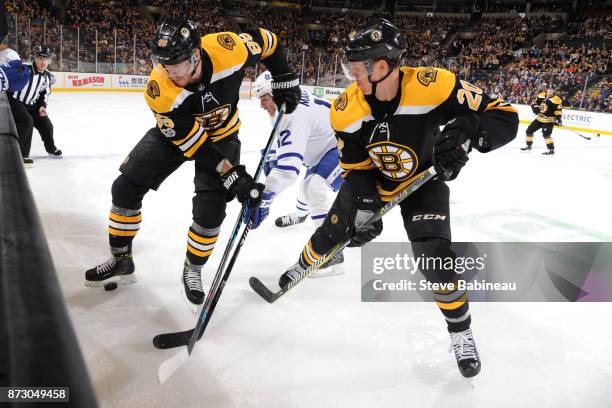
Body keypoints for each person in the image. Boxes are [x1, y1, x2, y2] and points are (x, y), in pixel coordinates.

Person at [276, 19, 519, 378]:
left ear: (382, 66)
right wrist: (364, 202)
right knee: (333, 231)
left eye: (356, 69)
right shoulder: (346, 108)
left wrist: (468, 131)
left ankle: (461, 331)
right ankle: (303, 263)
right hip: (374, 179)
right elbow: (355, 167)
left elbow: (504, 115)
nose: (350, 76)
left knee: (434, 257)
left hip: (424, 179)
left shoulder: (433, 86)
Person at [84, 18, 301, 309]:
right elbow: (196, 144)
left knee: (210, 211)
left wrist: (284, 78)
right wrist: (232, 174)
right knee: (124, 188)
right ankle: (121, 260)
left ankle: (194, 268)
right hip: (177, 137)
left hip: (223, 135)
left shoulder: (229, 49)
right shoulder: (160, 89)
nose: (171, 73)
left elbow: (266, 40)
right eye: (164, 65)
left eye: (178, 65)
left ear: (196, 54)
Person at [249, 71, 345, 275]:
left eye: (264, 99)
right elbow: (278, 140)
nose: (261, 105)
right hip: (324, 147)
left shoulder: (293, 114)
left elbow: (289, 170)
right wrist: (272, 157)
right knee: (307, 185)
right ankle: (302, 215)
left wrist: (266, 196)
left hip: (343, 147)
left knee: (314, 187)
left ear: (275, 94)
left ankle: (333, 253)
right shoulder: (285, 107)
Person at [7, 45, 60, 168]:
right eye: (40, 58)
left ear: (49, 61)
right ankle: (21, 155)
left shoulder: (47, 77)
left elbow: (45, 92)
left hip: (33, 105)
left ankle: (51, 148)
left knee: (47, 125)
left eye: (45, 59)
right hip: (15, 101)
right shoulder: (24, 68)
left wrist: (42, 106)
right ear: (35, 58)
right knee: (27, 121)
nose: (43, 62)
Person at [521, 88, 562, 155]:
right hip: (539, 118)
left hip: (549, 120)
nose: (549, 91)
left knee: (546, 135)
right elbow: (534, 103)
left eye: (551, 90)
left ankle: (551, 150)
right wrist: (535, 108)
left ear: (553, 91)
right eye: (549, 89)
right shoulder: (541, 95)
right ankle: (529, 146)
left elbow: (558, 111)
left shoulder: (557, 100)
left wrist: (558, 119)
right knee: (529, 131)